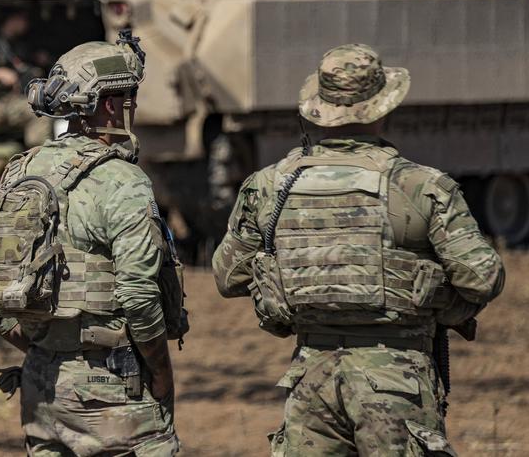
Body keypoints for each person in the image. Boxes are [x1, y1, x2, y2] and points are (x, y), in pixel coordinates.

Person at [212, 43, 505, 456]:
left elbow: (228, 276)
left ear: (319, 107)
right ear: (383, 108)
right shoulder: (421, 186)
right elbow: (483, 277)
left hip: (310, 381)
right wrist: (436, 297)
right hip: (397, 380)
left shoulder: (269, 185)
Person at [0, 33, 186, 456]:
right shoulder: (123, 181)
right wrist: (161, 373)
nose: (131, 108)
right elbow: (139, 297)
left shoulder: (22, 172)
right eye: (127, 98)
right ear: (108, 105)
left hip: (41, 390)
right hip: (113, 394)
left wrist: (40, 350)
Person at [0, 8, 49, 149]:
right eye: (23, 18)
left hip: (12, 101)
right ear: (11, 20)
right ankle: (38, 155)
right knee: (38, 112)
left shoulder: (18, 45)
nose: (26, 23)